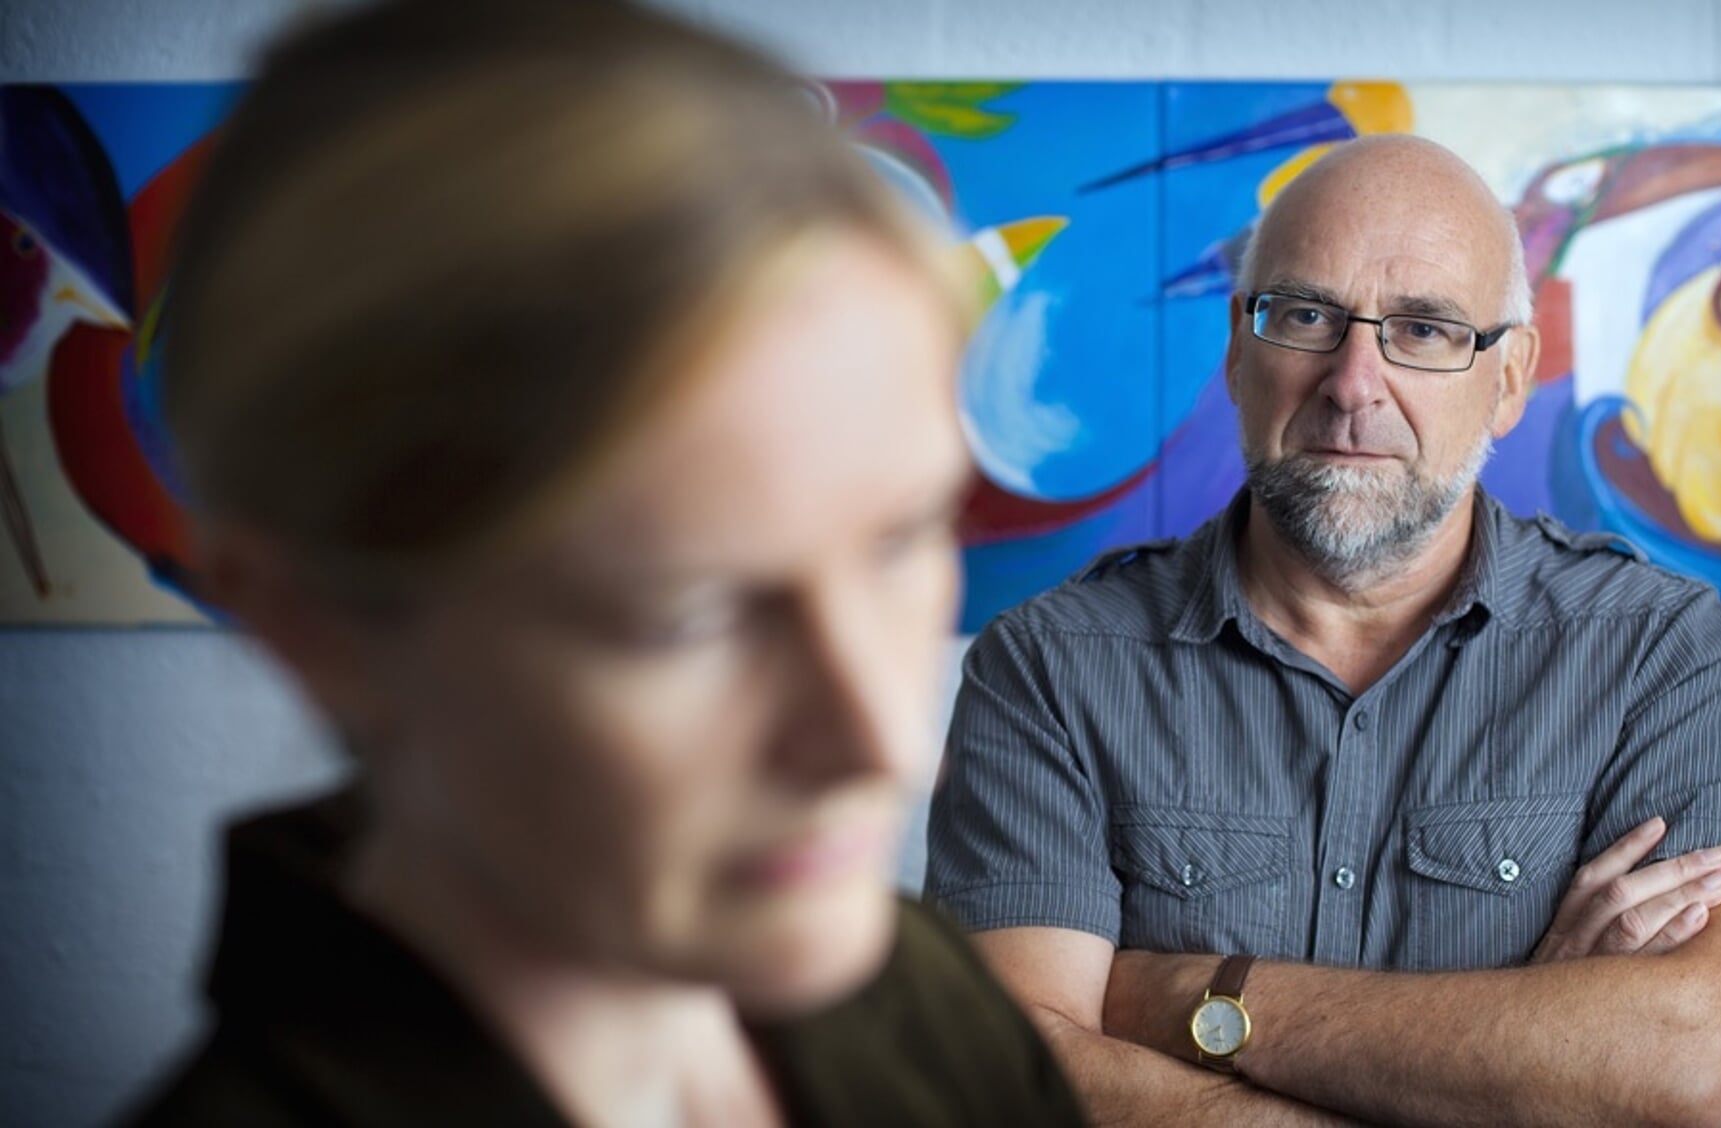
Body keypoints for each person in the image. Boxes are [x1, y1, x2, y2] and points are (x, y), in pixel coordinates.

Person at [124, 1, 1085, 1124]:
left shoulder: (921, 998)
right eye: (687, 615)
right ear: (313, 624)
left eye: (900, 539)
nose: (885, 743)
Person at [926, 134, 1721, 1127]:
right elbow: (1009, 1080)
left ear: (1508, 378)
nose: (1351, 383)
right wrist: (1526, 1053)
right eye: (1304, 316)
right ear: (1238, 352)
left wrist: (1190, 998)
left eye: (1423, 330)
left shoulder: (1657, 653)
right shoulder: (1049, 666)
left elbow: (1690, 1072)